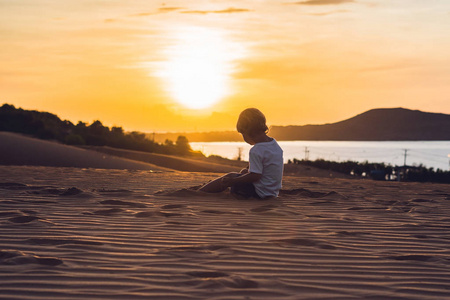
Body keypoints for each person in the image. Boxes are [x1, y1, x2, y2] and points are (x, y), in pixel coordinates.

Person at [199, 108, 283, 199]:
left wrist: (233, 181)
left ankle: (200, 192)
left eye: (242, 134)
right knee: (243, 172)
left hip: (258, 193)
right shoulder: (274, 144)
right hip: (272, 192)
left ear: (247, 131)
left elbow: (255, 176)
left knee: (230, 176)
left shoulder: (256, 150)